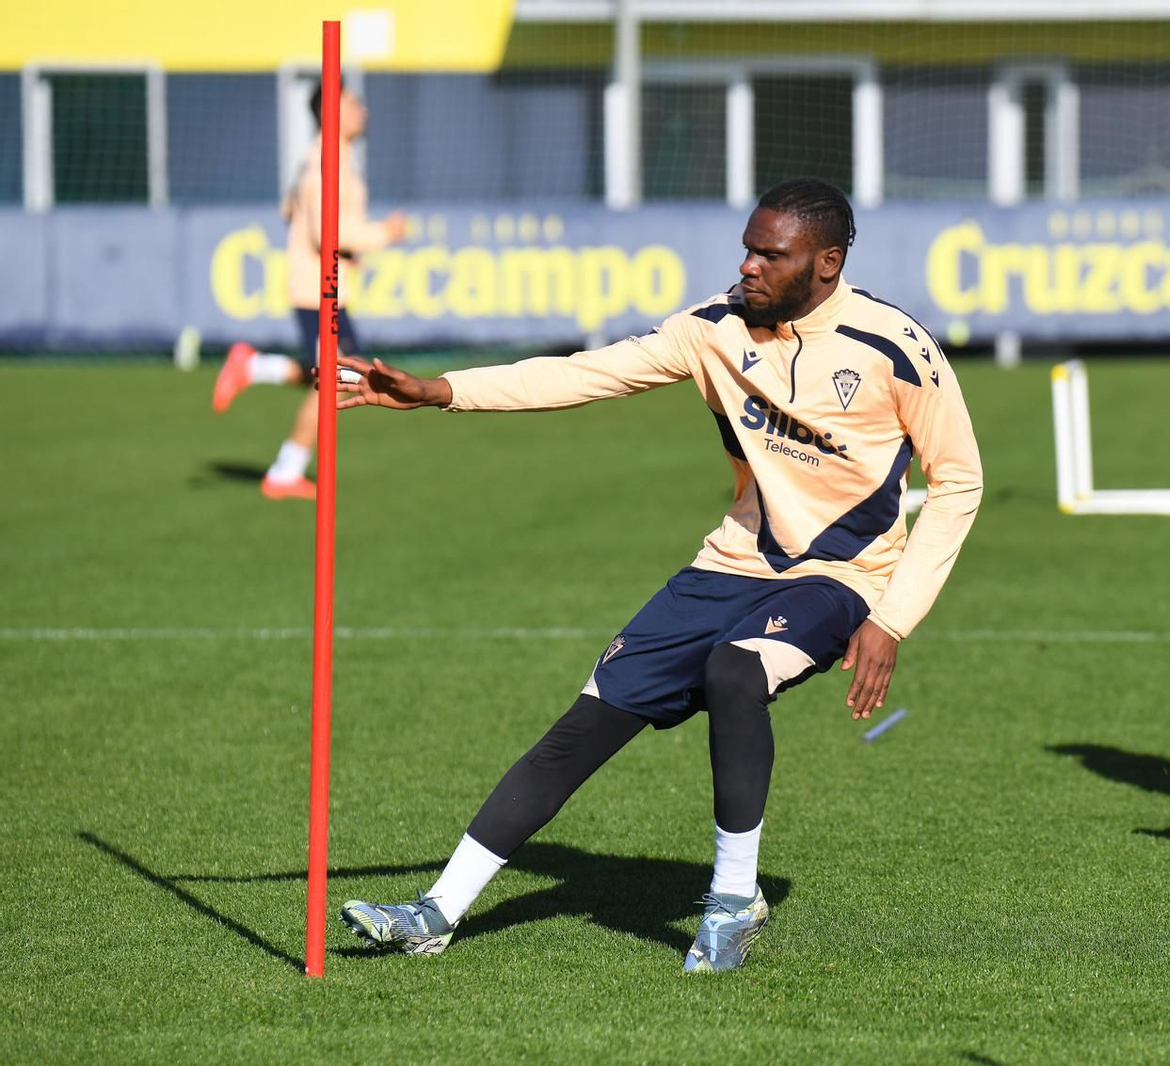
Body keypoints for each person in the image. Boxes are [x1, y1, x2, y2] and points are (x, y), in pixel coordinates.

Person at [332, 178, 984, 970]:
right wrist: (442, 392)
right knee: (583, 726)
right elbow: (586, 373)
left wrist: (892, 620)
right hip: (728, 564)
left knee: (735, 672)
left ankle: (735, 899)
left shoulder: (896, 349)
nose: (746, 266)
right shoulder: (713, 328)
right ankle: (436, 911)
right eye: (746, 248)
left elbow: (959, 481)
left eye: (769, 255)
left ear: (826, 264)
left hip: (844, 577)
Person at [211, 84, 405, 499]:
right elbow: (326, 232)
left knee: (338, 375)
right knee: (340, 377)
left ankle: (253, 368)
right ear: (334, 111)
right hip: (319, 290)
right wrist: (383, 234)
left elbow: (290, 209)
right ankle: (284, 471)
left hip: (326, 286)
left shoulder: (331, 157)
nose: (363, 111)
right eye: (354, 104)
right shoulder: (325, 161)